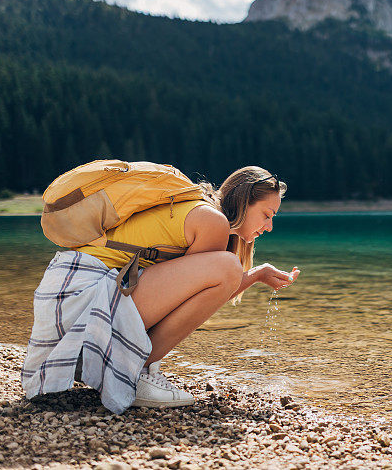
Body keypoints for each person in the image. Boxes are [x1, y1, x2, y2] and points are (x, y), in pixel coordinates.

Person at [20, 165, 300, 414]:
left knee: (226, 267)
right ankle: (132, 371)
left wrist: (257, 273)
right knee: (227, 267)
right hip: (85, 295)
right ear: (244, 202)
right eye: (266, 214)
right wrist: (254, 274)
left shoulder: (198, 207)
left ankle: (117, 360)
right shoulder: (213, 222)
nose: (269, 226)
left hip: (71, 294)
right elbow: (210, 288)